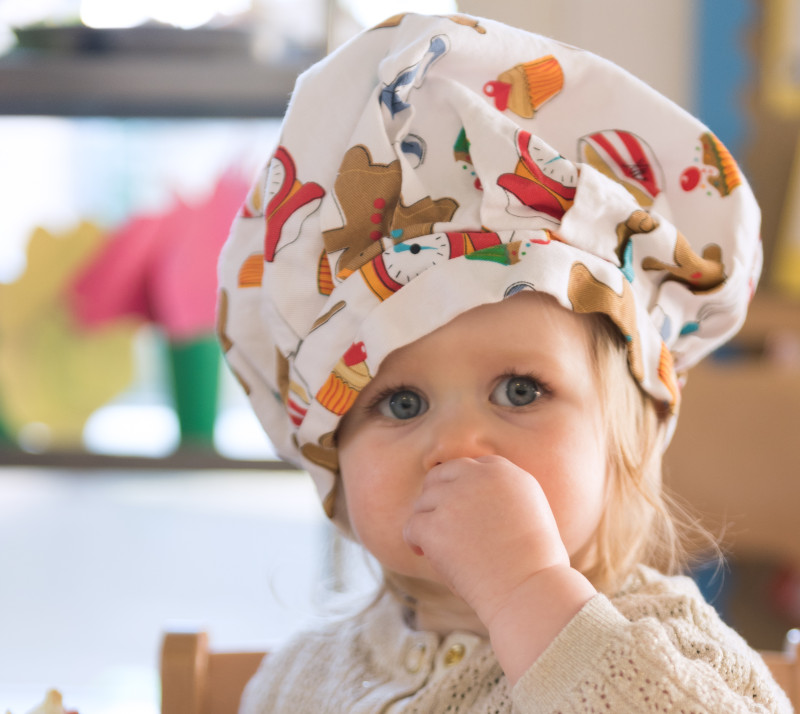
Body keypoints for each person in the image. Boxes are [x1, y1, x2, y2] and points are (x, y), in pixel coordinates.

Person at [216, 12, 791, 712]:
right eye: (401, 403)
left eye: (520, 390)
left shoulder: (670, 644)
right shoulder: (304, 678)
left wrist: (529, 592)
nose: (456, 446)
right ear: (331, 459)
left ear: (624, 435)